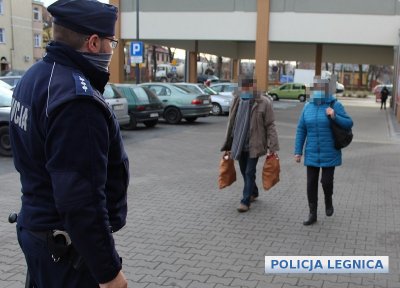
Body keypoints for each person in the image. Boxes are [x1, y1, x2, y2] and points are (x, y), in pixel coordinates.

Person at [9, 1, 129, 287]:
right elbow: (80, 201)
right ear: (93, 42)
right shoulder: (78, 102)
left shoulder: (33, 78)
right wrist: (109, 272)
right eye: (111, 42)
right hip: (65, 250)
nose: (111, 50)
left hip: (37, 232)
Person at [294, 77, 353, 226]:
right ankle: (312, 213)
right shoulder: (307, 107)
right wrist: (298, 151)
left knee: (326, 182)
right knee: (311, 183)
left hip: (330, 151)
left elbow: (349, 123)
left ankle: (328, 200)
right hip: (312, 151)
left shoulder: (335, 104)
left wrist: (334, 116)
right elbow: (301, 129)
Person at [221, 76, 279, 212]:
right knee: (243, 170)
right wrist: (228, 143)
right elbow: (231, 123)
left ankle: (245, 201)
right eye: (243, 87)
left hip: (255, 143)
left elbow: (270, 125)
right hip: (239, 143)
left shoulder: (264, 102)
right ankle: (254, 191)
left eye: (248, 87)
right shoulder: (236, 100)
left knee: (249, 171)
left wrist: (273, 146)